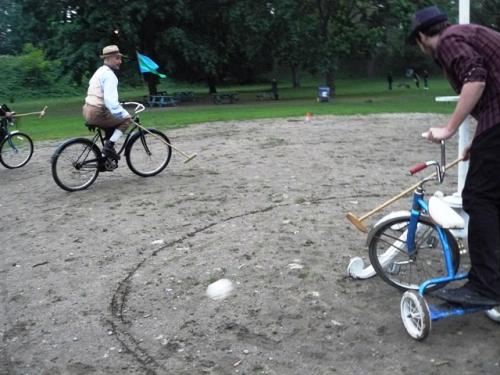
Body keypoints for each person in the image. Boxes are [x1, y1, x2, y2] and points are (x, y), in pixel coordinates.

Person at [409, 5, 500, 306]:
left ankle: (486, 287)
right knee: (493, 198)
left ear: (422, 37)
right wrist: (479, 141)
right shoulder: (467, 33)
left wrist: (448, 128)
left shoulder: (447, 41)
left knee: (479, 198)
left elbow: (476, 78)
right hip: (495, 123)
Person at [83, 45, 131, 160]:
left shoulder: (100, 71)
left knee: (111, 125)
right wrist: (124, 114)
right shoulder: (110, 75)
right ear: (108, 58)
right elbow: (110, 101)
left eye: (120, 58)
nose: (120, 61)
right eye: (117, 58)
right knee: (126, 120)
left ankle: (105, 158)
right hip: (97, 112)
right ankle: (108, 147)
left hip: (87, 109)